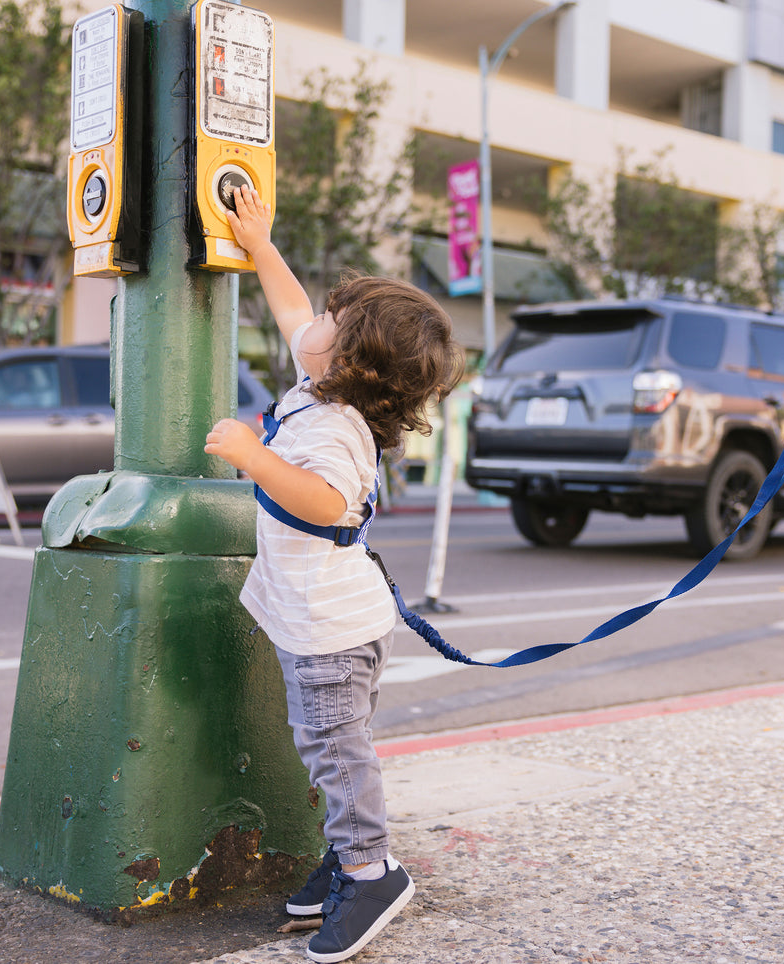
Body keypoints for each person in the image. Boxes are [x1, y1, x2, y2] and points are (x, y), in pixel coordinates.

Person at [204, 185, 463, 963]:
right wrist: (259, 244)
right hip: (328, 618)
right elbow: (289, 312)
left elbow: (324, 502)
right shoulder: (321, 388)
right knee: (330, 745)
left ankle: (368, 869)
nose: (308, 320)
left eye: (330, 319)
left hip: (329, 629)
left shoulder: (335, 430)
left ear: (346, 358)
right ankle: (347, 855)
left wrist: (253, 457)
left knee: (335, 750)